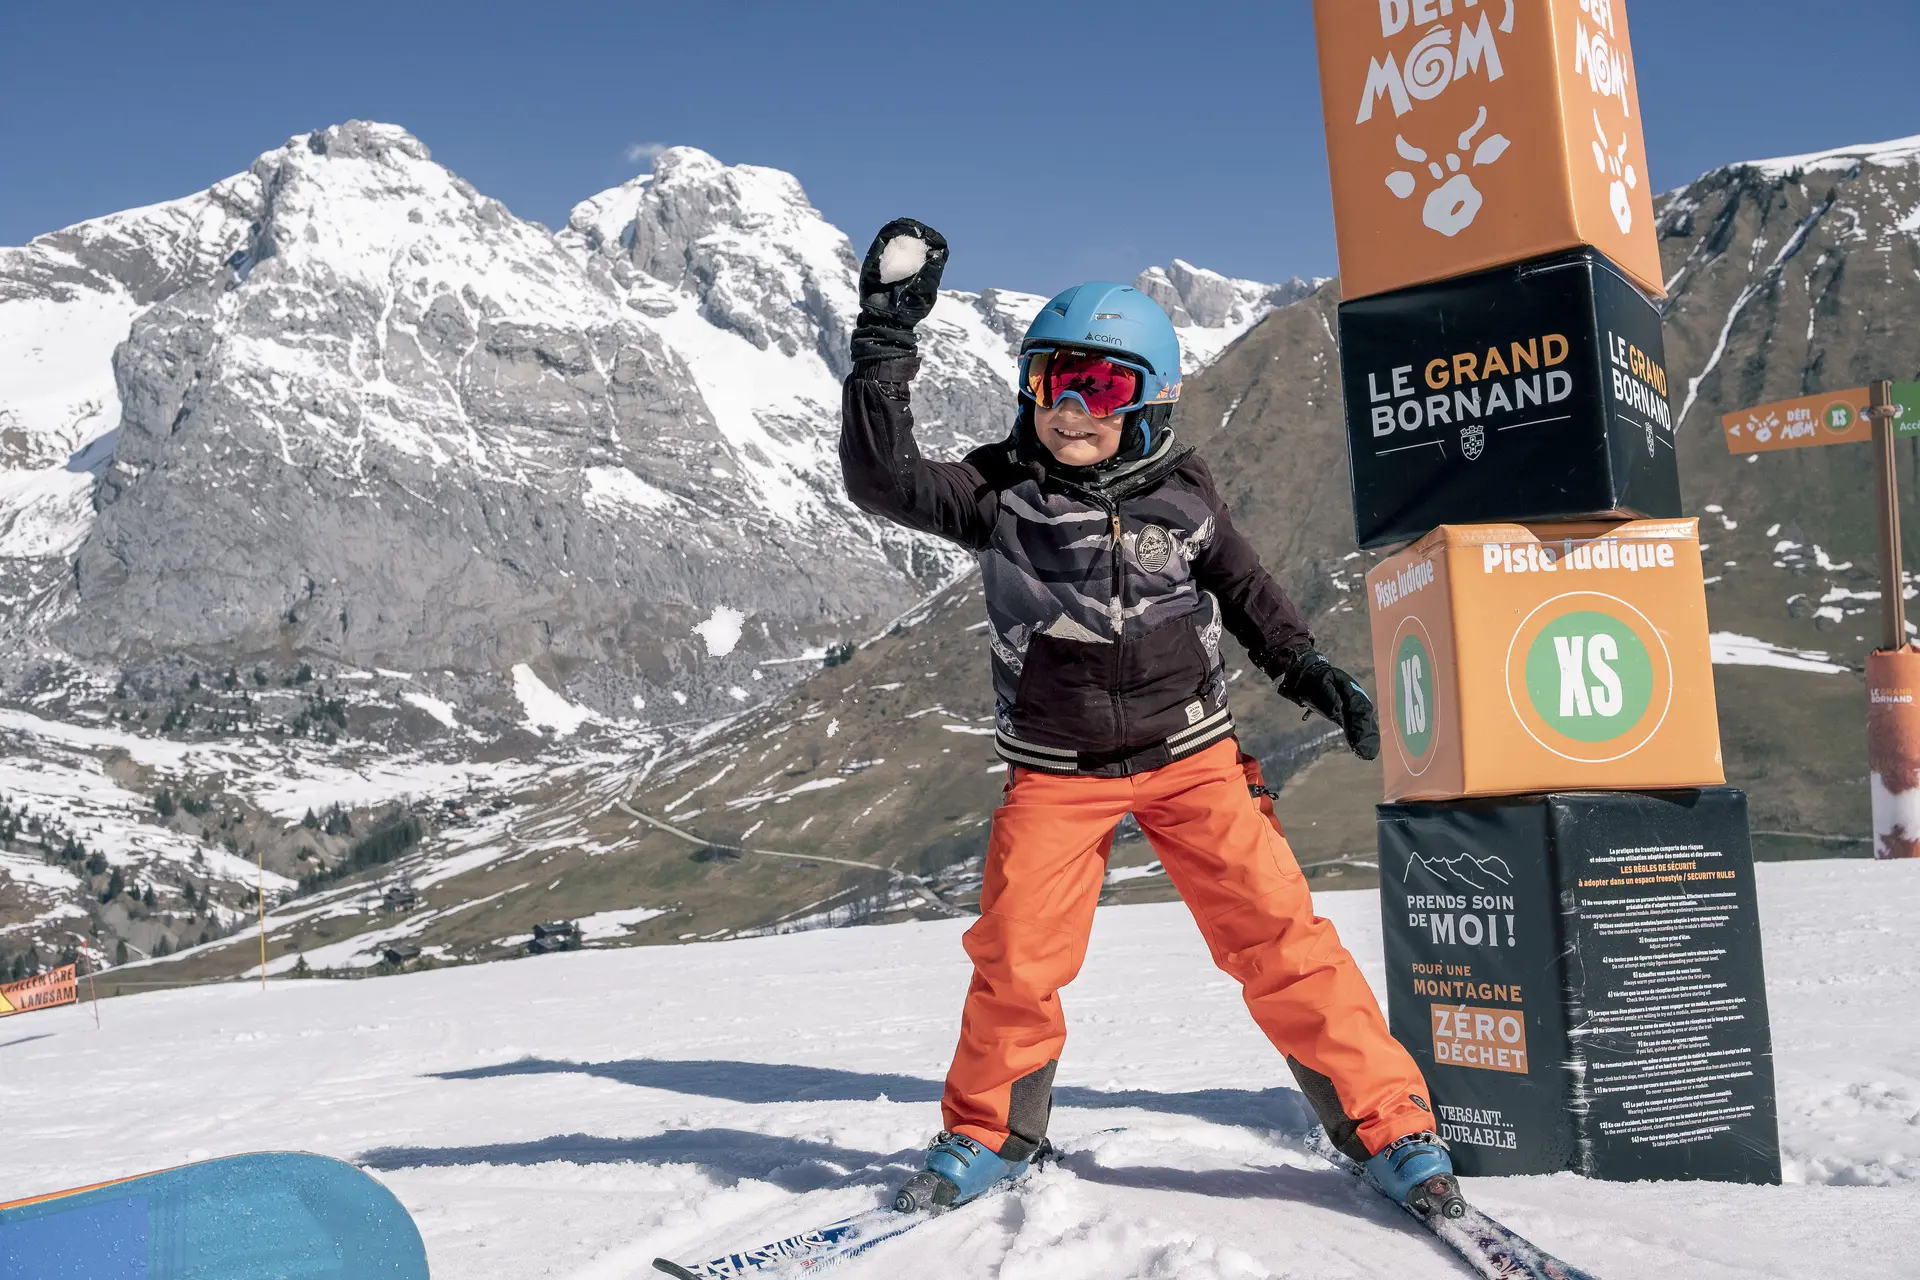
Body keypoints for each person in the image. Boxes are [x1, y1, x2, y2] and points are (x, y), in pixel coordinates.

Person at [839, 219, 1461, 1220]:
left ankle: (1390, 1126)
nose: (1073, 407)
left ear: (1150, 401)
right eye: (1054, 379)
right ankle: (993, 1135)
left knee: (1280, 935)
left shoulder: (1185, 494)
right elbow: (881, 479)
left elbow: (1246, 586)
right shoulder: (999, 495)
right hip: (1056, 769)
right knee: (1015, 956)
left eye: (1106, 386)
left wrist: (1306, 668)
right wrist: (883, 345)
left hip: (1192, 756)